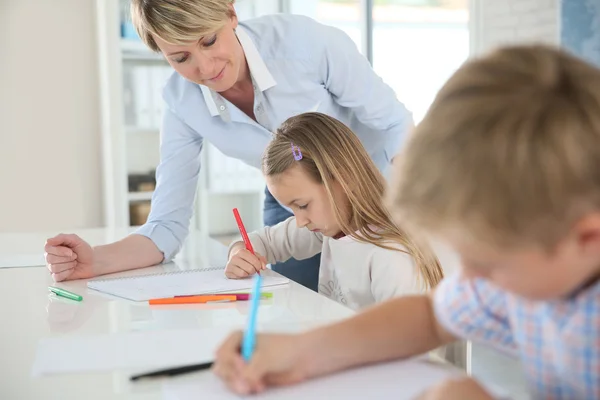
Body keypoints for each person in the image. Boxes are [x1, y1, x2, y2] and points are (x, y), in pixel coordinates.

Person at [212, 45, 600, 400]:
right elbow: (430, 316)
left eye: (487, 263)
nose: (467, 278)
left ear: (588, 237)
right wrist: (301, 351)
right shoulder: (518, 271)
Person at [43, 0, 413, 291]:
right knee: (303, 305)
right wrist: (96, 261)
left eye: (209, 40)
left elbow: (396, 123)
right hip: (292, 198)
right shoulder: (181, 102)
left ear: (231, 13)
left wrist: (385, 207)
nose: (205, 68)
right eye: (181, 58)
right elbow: (166, 225)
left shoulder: (307, 44)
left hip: (383, 183)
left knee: (380, 294)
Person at [225, 112, 444, 311]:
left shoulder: (391, 256)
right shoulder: (333, 225)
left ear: (343, 178)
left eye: (302, 205)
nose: (300, 221)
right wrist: (239, 253)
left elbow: (404, 348)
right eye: (291, 208)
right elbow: (265, 242)